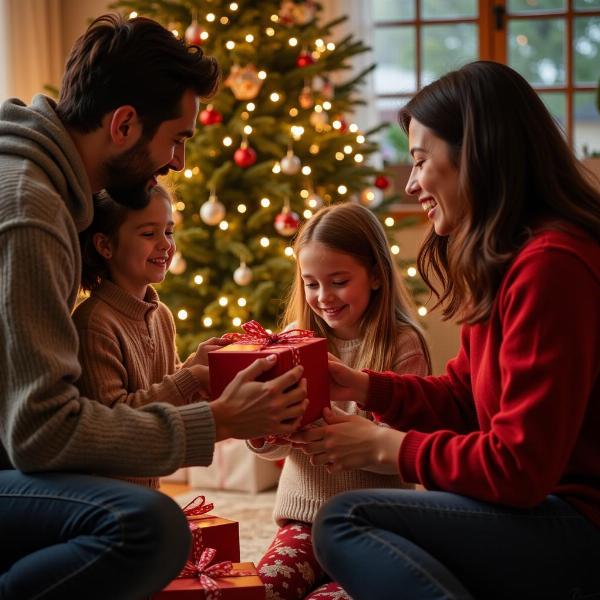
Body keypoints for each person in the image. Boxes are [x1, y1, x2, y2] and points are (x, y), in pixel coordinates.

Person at [0, 14, 306, 599]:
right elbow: (40, 433)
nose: (180, 164)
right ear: (123, 124)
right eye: (177, 139)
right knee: (148, 526)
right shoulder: (31, 210)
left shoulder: (38, 187)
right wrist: (217, 421)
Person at [292, 60, 600, 600]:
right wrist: (364, 386)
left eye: (419, 160)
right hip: (546, 511)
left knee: (346, 520)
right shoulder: (512, 258)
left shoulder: (552, 265)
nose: (411, 184)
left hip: (578, 525)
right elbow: (463, 396)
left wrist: (387, 447)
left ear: (476, 156)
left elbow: (520, 469)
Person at [249, 203, 431, 599]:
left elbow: (404, 443)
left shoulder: (402, 344)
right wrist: (262, 429)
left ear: (377, 275)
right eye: (311, 283)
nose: (323, 296)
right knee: (263, 590)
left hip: (375, 523)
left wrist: (350, 439)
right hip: (303, 521)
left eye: (338, 281)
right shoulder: (294, 339)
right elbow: (273, 444)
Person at [73, 185, 226, 489]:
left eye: (168, 232)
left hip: (146, 488)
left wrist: (195, 366)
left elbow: (164, 400)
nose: (165, 245)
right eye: (148, 234)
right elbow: (116, 420)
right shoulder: (94, 322)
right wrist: (190, 378)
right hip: (106, 493)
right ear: (105, 245)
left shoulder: (161, 315)